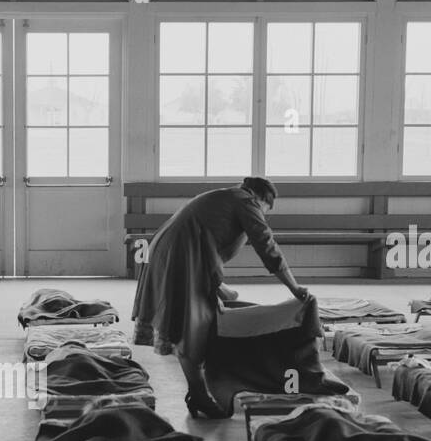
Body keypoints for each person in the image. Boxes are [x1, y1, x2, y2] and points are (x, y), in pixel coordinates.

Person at [132, 176, 309, 418]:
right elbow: (266, 245)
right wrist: (294, 287)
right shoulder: (246, 202)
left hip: (176, 253)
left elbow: (206, 240)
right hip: (181, 258)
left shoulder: (225, 197)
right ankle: (199, 395)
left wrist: (218, 286)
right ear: (261, 199)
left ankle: (200, 391)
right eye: (266, 210)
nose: (264, 215)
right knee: (191, 326)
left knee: (207, 311)